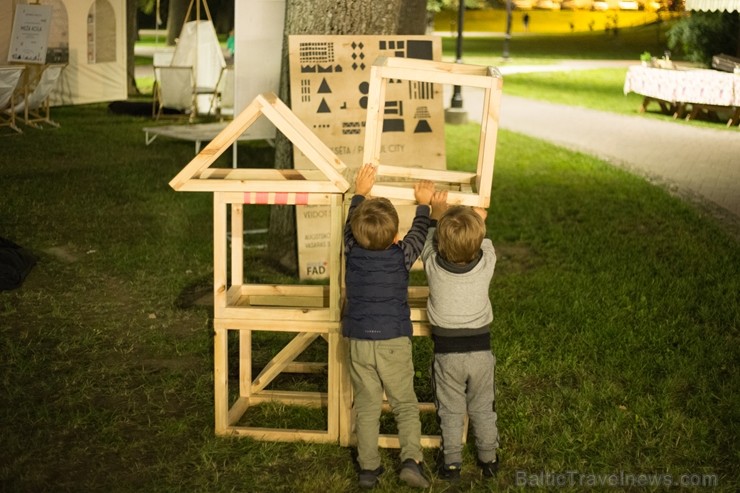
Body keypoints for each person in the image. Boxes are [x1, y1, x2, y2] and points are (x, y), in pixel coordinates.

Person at [343, 163, 434, 489]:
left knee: (366, 405)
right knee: (404, 403)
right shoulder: (401, 255)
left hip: (359, 341)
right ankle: (411, 461)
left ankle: (368, 469)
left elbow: (347, 228)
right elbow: (419, 234)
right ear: (396, 236)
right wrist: (424, 203)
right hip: (393, 339)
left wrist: (359, 193)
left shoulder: (350, 251)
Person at [420, 190, 499, 481]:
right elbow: (484, 240)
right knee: (482, 407)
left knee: (450, 410)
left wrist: (436, 209)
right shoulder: (487, 263)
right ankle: (488, 458)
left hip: (447, 354)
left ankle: (451, 462)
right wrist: (479, 217)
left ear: (440, 243)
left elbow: (428, 238)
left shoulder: (431, 265)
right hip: (481, 352)